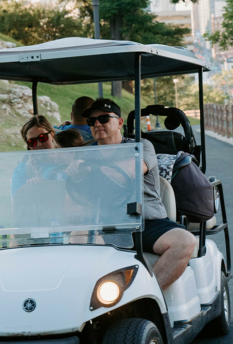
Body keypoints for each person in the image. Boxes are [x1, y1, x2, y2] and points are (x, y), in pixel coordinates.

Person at [82, 98, 197, 291]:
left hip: (145, 221)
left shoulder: (141, 146)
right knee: (68, 242)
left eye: (103, 119)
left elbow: (127, 171)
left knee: (185, 241)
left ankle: (143, 294)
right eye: (91, 121)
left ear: (119, 123)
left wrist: (86, 169)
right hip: (104, 222)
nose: (97, 124)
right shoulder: (85, 153)